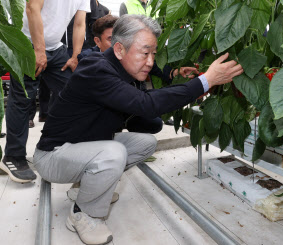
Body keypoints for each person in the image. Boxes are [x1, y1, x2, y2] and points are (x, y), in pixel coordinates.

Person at [33, 14, 243, 245]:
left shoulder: (122, 70)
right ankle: (84, 214)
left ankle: (86, 188)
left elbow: (144, 101)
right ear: (120, 50)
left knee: (146, 143)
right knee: (114, 153)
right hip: (54, 156)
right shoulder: (96, 69)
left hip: (80, 149)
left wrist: (183, 82)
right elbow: (146, 103)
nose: (151, 61)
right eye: (145, 53)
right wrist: (205, 80)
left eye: (153, 53)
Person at [0, 0, 90, 183]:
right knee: (24, 98)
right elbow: (32, 7)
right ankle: (13, 156)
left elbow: (80, 23)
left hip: (56, 49)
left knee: (75, 94)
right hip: (27, 43)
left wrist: (75, 56)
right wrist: (39, 50)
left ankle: (57, 146)